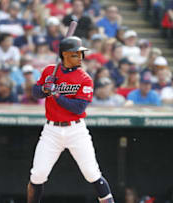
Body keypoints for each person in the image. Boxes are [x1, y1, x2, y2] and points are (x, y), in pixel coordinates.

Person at [28, 36, 115, 203]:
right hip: (51, 131)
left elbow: (78, 108)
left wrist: (56, 94)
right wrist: (45, 89)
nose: (80, 57)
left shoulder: (85, 78)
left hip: (76, 130)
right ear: (65, 55)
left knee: (92, 173)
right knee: (38, 174)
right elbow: (35, 92)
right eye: (76, 54)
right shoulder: (49, 71)